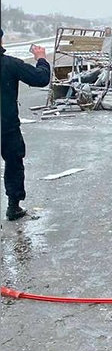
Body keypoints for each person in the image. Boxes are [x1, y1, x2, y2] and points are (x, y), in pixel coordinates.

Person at [0, 29, 52, 220]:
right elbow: (40, 78)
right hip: (6, 125)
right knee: (13, 162)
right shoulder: (10, 64)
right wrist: (41, 58)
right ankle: (13, 206)